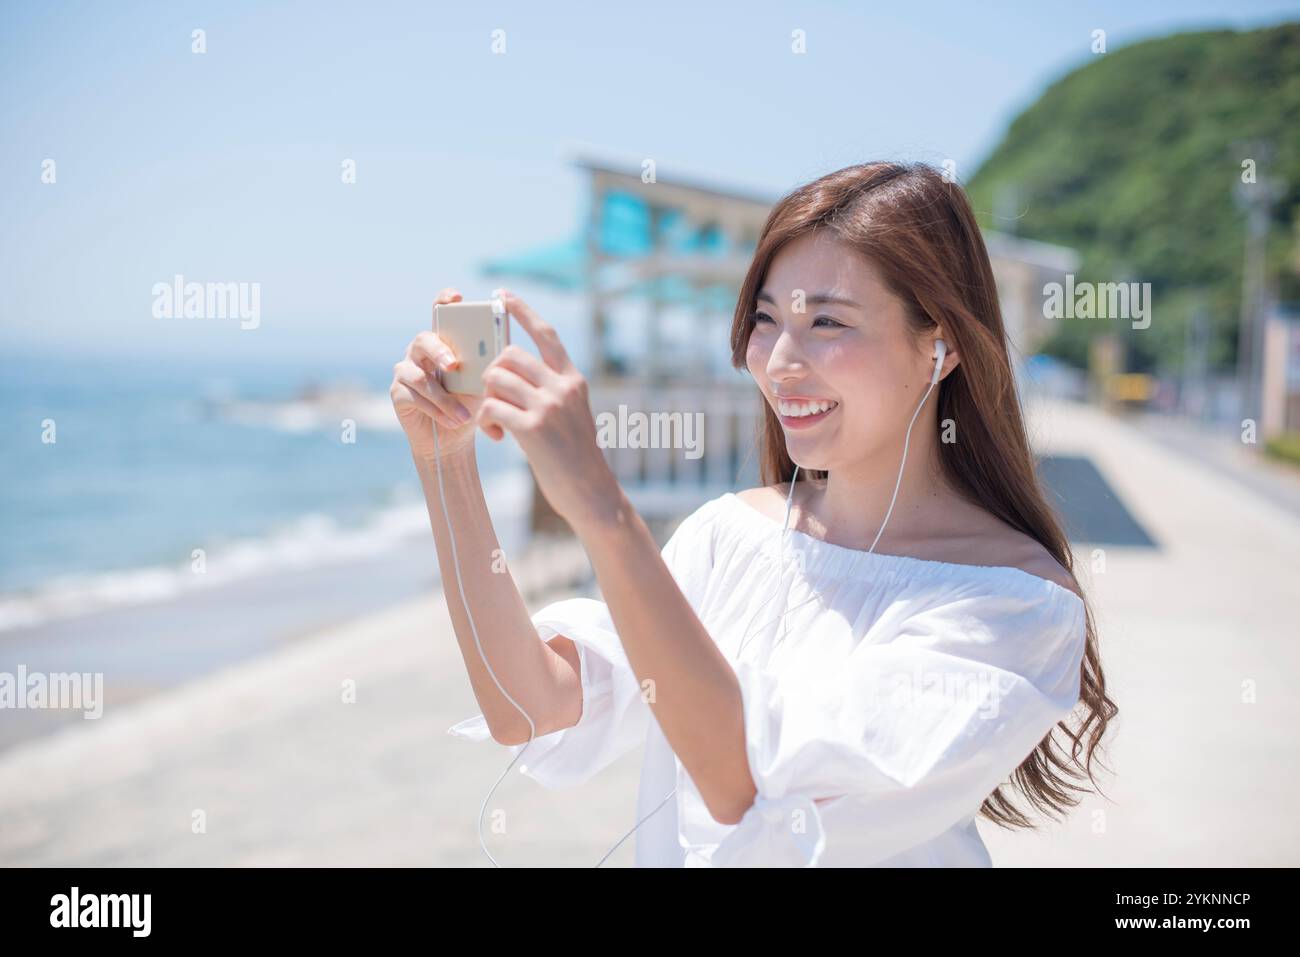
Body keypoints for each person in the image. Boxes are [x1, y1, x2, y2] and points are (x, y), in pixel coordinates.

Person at [389, 161, 1116, 867]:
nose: (781, 362)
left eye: (828, 321)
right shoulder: (727, 535)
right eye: (767, 320)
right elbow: (530, 705)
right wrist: (446, 461)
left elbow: (747, 786)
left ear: (941, 345)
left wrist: (603, 510)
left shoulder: (1015, 602)